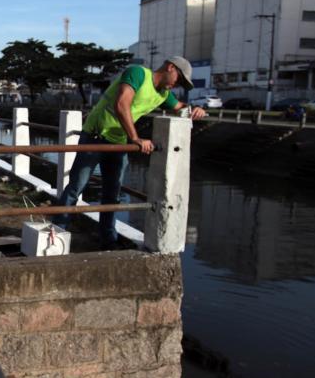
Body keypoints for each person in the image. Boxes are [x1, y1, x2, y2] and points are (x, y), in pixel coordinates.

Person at [53, 56, 206, 249]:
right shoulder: (138, 73)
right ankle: (56, 233)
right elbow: (121, 104)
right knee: (77, 186)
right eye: (179, 79)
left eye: (182, 84)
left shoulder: (163, 95)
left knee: (112, 194)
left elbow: (180, 107)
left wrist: (196, 109)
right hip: (96, 136)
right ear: (170, 67)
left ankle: (108, 240)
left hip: (118, 142)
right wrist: (135, 138)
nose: (178, 85)